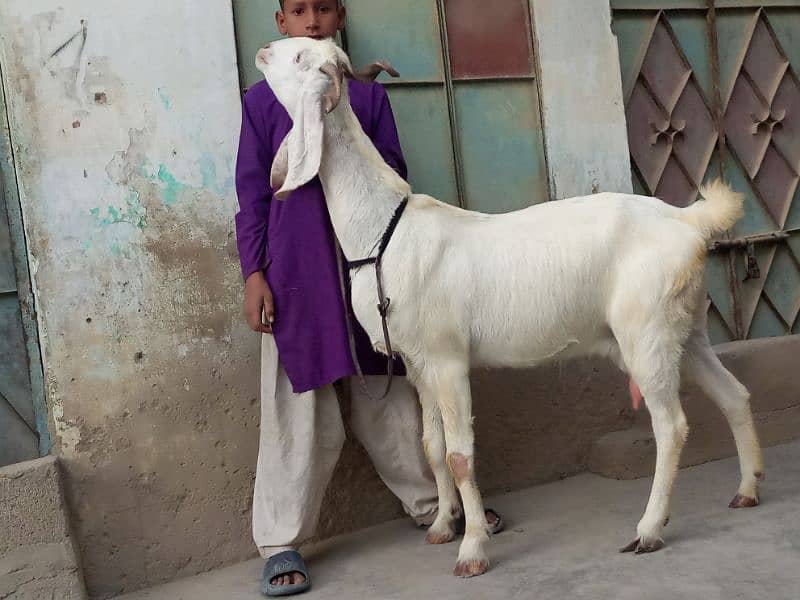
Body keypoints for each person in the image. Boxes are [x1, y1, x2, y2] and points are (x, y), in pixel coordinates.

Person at [234, 1, 501, 595]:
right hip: (296, 279)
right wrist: (255, 272)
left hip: (372, 274)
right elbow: (253, 193)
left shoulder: (369, 100)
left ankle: (440, 504)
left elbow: (394, 181)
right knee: (295, 410)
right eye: (297, 11)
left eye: (322, 9)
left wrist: (343, 110)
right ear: (281, 25)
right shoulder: (262, 104)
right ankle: (280, 542)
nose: (311, 21)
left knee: (388, 392)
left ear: (340, 21)